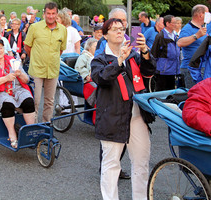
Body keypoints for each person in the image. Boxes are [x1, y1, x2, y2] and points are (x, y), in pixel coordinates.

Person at [91, 18, 156, 200]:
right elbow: (101, 78)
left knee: (141, 163)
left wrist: (145, 51)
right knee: (111, 165)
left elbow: (150, 72)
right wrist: (119, 61)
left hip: (136, 116)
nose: (119, 32)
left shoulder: (133, 54)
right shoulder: (99, 58)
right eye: (114, 29)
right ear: (105, 35)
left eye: (122, 29)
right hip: (112, 117)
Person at [0, 39, 36, 148]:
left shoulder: (13, 61)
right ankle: (12, 133)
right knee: (7, 104)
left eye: (1, 48)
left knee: (28, 100)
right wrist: (6, 78)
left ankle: (30, 131)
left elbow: (26, 80)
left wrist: (20, 75)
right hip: (0, 90)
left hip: (17, 89)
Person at [24, 2, 67, 122]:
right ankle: (33, 127)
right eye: (48, 13)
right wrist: (37, 58)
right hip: (37, 69)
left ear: (57, 14)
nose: (51, 16)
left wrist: (51, 59)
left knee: (50, 101)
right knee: (35, 101)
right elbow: (27, 46)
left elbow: (61, 49)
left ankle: (46, 125)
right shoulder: (34, 27)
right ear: (44, 14)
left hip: (52, 69)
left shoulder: (62, 30)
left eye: (53, 13)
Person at [177, 4, 208, 89]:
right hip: (191, 70)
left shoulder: (203, 28)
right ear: (201, 15)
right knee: (193, 96)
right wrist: (197, 35)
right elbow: (180, 42)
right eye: (208, 14)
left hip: (202, 68)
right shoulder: (188, 28)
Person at [151, 15, 180, 91]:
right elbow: (154, 53)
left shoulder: (175, 35)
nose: (176, 25)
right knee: (161, 93)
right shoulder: (160, 36)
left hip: (173, 70)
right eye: (174, 23)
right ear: (167, 23)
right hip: (163, 71)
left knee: (171, 92)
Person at [75, 38, 97, 107]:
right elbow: (79, 68)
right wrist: (86, 75)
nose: (97, 48)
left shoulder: (96, 57)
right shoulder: (83, 57)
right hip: (86, 81)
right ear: (89, 47)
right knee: (96, 89)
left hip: (95, 79)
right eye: (95, 46)